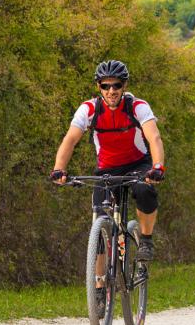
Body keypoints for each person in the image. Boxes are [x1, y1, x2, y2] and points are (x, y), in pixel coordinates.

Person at [50, 60, 165, 280]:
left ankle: (146, 240)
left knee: (144, 190)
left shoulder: (137, 106)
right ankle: (99, 287)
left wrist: (158, 167)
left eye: (116, 85)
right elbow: (70, 139)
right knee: (100, 221)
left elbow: (154, 137)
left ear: (124, 85)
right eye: (105, 85)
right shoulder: (89, 109)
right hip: (107, 169)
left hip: (137, 164)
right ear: (99, 87)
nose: (111, 90)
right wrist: (59, 169)